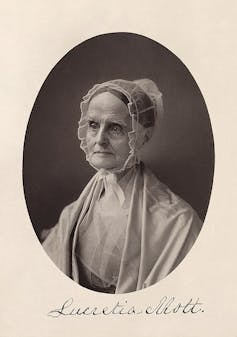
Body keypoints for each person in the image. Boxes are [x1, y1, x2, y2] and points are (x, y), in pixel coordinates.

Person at [43, 78, 202, 294]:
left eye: (115, 128)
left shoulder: (176, 222)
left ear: (142, 136)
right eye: (93, 125)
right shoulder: (73, 213)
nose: (100, 139)